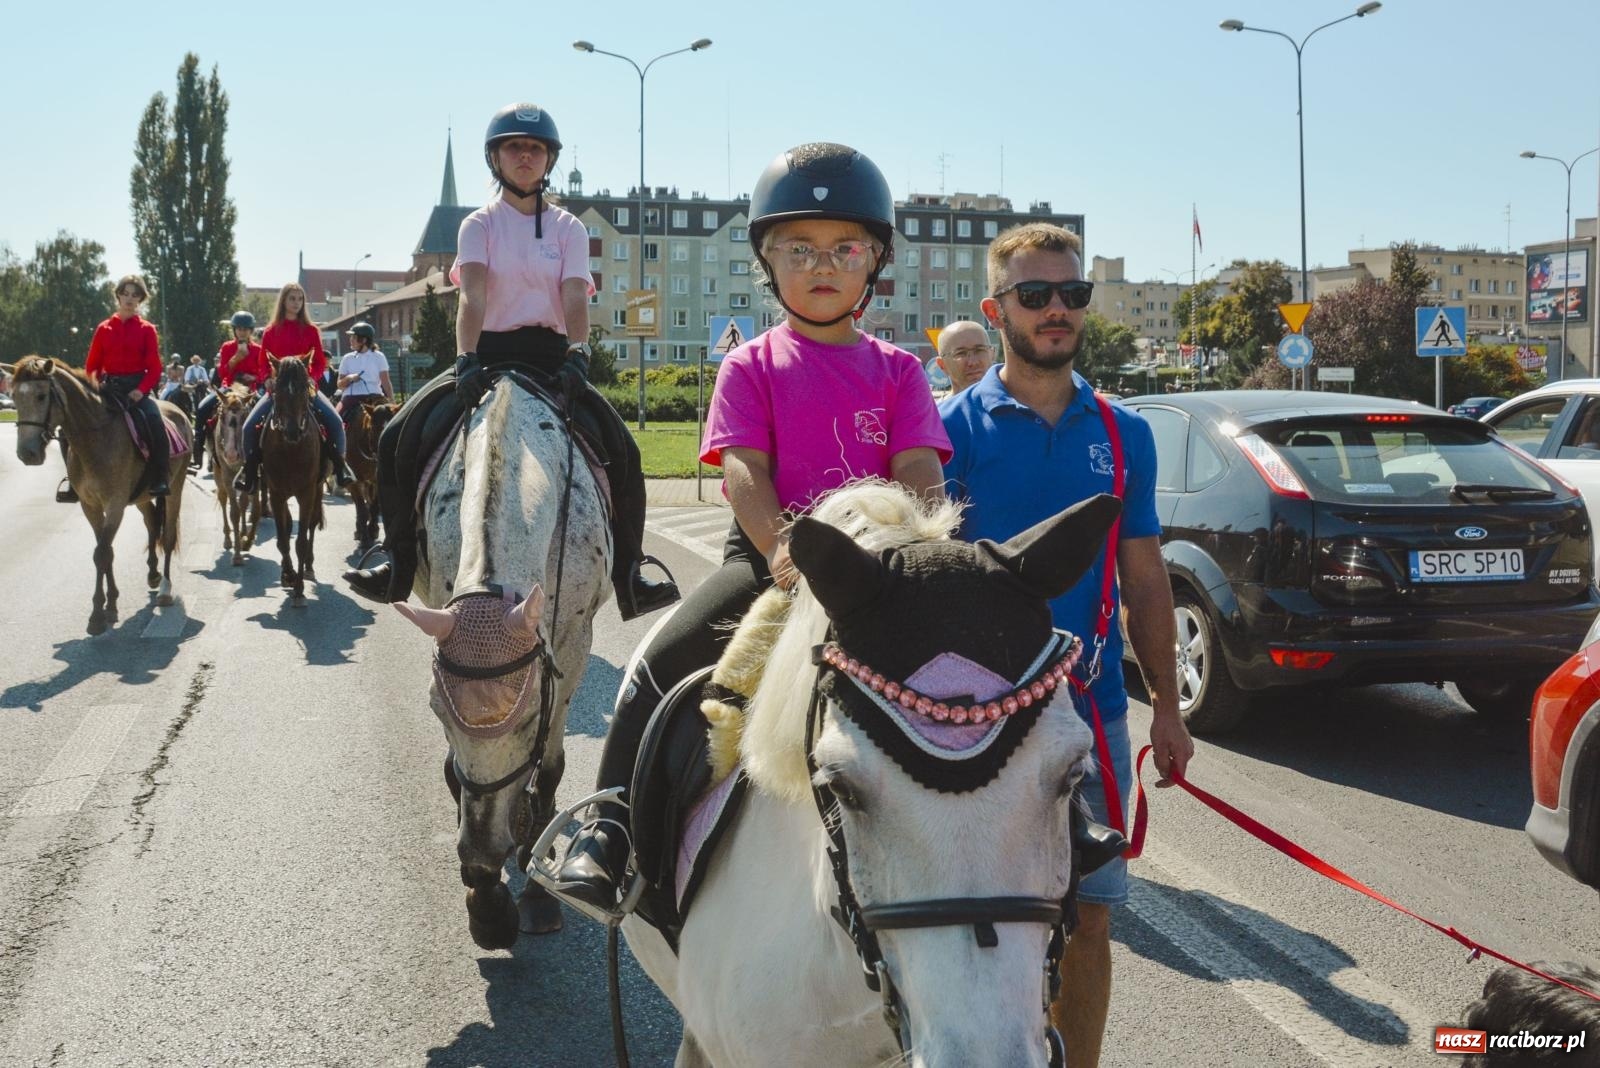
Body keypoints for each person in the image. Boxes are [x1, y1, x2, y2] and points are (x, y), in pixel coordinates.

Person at [552, 141, 953, 910]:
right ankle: (609, 830)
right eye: (799, 248)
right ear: (768, 261)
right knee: (654, 666)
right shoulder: (752, 365)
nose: (823, 264)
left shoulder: (899, 370)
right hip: (777, 560)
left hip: (885, 571)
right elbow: (743, 475)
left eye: (845, 248)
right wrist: (786, 556)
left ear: (875, 261)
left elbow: (919, 474)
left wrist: (922, 551)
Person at [938, 222, 1193, 1068]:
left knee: (1088, 922)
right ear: (995, 308)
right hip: (972, 722)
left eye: (1072, 294)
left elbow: (1147, 580)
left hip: (1091, 717)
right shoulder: (951, 434)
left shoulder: (1125, 435)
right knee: (976, 922)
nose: (1058, 310)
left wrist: (1168, 707)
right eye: (1036, 294)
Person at [342, 102, 678, 621]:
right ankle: (398, 561)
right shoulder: (479, 225)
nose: (525, 156)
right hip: (487, 355)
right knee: (395, 439)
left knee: (625, 449)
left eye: (535, 148)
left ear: (549, 160)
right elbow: (471, 297)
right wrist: (466, 358)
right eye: (514, 147)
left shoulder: (568, 228)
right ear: (495, 158)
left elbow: (573, 297)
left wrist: (577, 354)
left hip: (550, 358)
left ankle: (632, 573)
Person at [235, 284, 354, 493]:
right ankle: (250, 472)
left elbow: (318, 362)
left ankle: (340, 468)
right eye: (292, 299)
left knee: (335, 421)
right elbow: (263, 363)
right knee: (248, 428)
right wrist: (267, 380)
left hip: (305, 389)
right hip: (278, 391)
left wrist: (311, 378)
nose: (296, 303)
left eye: (300, 299)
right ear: (284, 301)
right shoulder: (271, 332)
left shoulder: (311, 330)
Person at [73, 274, 170, 500]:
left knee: (156, 421)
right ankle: (73, 480)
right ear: (117, 296)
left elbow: (155, 368)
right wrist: (96, 387)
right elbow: (92, 367)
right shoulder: (104, 328)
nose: (129, 298)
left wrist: (141, 390)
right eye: (125, 293)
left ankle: (160, 477)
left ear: (140, 299)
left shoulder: (147, 329)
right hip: (109, 389)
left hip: (138, 389)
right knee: (73, 421)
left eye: (134, 295)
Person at [194, 311, 266, 470]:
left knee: (268, 410)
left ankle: (265, 453)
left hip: (250, 390)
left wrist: (253, 378)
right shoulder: (227, 347)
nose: (242, 332)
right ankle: (198, 448)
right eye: (239, 329)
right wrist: (237, 358)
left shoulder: (258, 349)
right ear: (234, 330)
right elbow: (222, 373)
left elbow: (263, 373)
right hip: (228, 388)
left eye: (246, 329)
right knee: (203, 407)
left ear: (251, 331)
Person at [336, 321, 393, 434]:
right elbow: (340, 385)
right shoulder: (347, 358)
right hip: (351, 398)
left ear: (364, 340)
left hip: (375, 397)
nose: (350, 339)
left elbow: (385, 381)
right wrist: (350, 378)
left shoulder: (379, 357)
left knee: (393, 421)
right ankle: (336, 449)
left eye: (354, 337)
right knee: (335, 421)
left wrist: (391, 400)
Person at [934, 319, 996, 394]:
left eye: (979, 350)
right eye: (961, 353)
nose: (973, 362)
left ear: (992, 354)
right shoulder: (936, 406)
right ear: (942, 365)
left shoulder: (1010, 403)